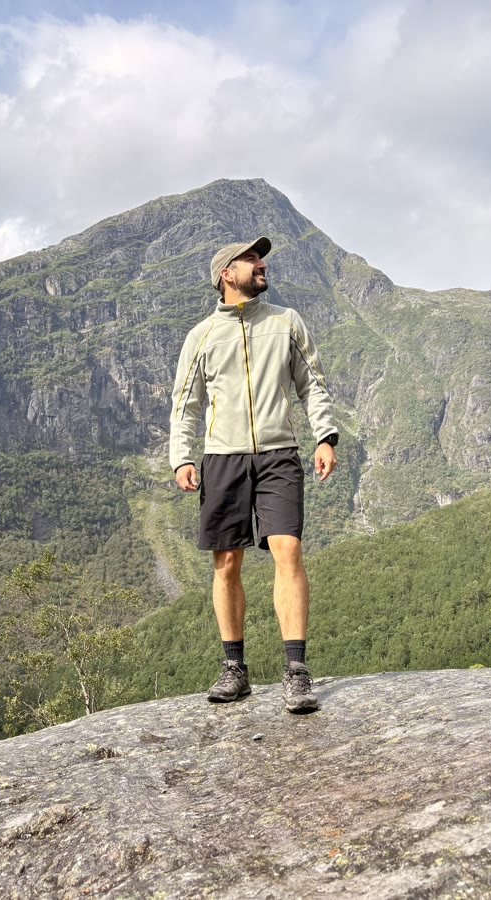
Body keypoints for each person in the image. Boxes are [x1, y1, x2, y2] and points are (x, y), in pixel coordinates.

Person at [169, 236, 339, 713]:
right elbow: (185, 406)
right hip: (222, 458)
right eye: (251, 259)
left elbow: (313, 384)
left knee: (288, 550)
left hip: (279, 453)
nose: (261, 264)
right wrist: (182, 457)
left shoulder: (287, 323)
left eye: (260, 258)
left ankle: (297, 672)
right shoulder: (200, 336)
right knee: (226, 563)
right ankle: (234, 669)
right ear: (227, 273)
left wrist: (326, 436)